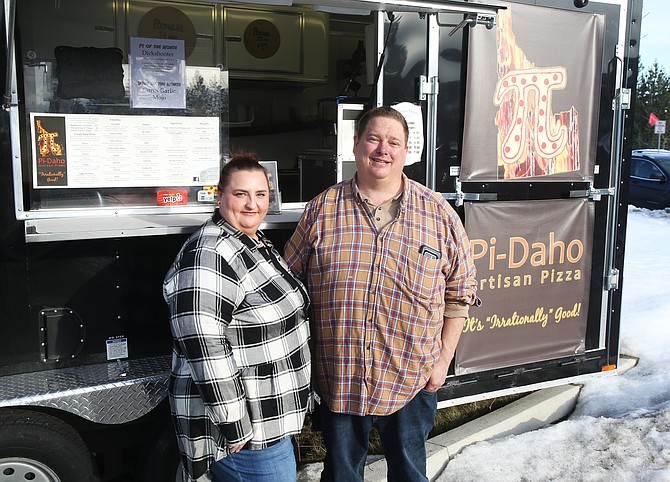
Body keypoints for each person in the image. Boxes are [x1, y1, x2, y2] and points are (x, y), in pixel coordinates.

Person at [284, 106, 479, 482]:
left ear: (406, 151)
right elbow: (288, 286)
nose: (382, 149)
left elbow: (460, 293)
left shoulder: (439, 214)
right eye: (373, 138)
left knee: (409, 474)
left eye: (394, 142)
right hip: (341, 376)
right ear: (356, 143)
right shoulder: (322, 210)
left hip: (413, 376)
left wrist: (442, 364)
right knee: (341, 475)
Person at [163, 152, 311, 482]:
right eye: (240, 194)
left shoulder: (253, 242)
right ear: (220, 196)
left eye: (260, 194)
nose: (251, 204)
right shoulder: (211, 253)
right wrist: (235, 426)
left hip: (268, 423)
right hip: (246, 436)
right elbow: (204, 343)